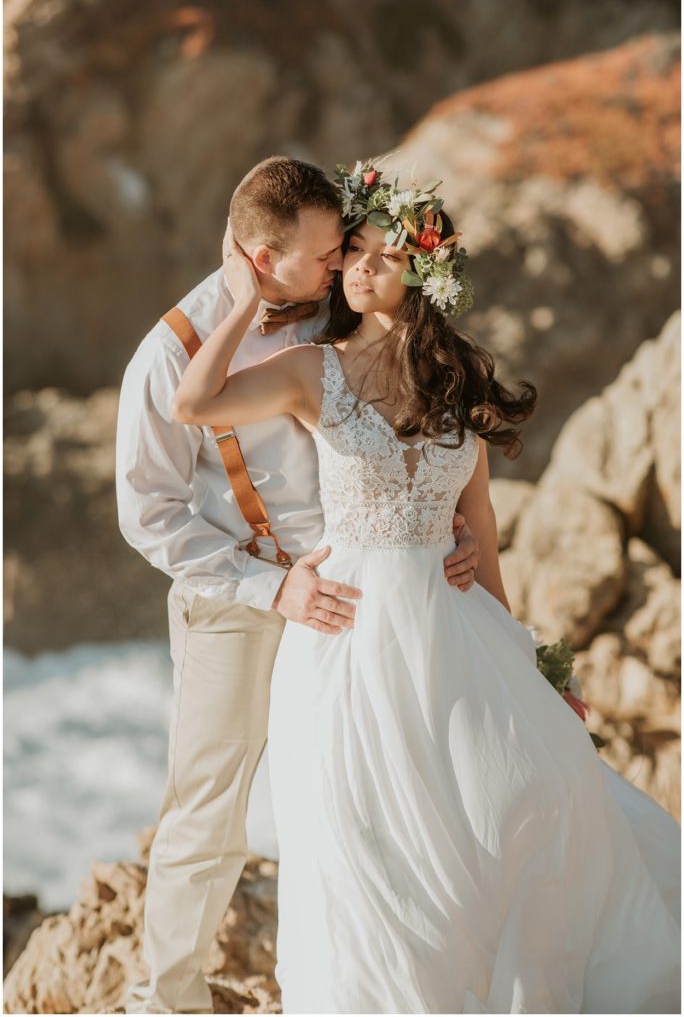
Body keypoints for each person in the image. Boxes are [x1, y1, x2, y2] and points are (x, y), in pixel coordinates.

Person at [173, 160, 681, 1014]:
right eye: (353, 251)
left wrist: (530, 664)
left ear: (424, 271)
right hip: (348, 639)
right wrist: (240, 299)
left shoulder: (460, 376)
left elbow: (478, 523)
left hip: (455, 632)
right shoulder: (311, 369)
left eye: (383, 253)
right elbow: (193, 404)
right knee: (365, 844)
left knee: (530, 799)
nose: (359, 267)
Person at [116, 156, 480, 1014]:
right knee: (210, 812)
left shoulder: (336, 305)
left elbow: (406, 408)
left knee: (376, 793)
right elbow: (149, 515)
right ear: (260, 258)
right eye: (324, 256)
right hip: (238, 604)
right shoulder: (169, 356)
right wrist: (268, 588)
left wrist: (442, 522)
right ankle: (168, 1000)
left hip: (363, 598)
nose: (338, 267)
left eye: (341, 250)